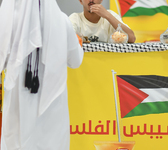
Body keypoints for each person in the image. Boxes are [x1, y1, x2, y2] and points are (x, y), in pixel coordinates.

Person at [0, 0, 83, 150]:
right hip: (52, 110)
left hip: (17, 108)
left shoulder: (10, 23)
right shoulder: (62, 21)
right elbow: (75, 61)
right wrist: (78, 45)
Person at [69, 0, 136, 43]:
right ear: (80, 1)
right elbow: (66, 38)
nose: (91, 0)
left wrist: (107, 15)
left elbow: (132, 38)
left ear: (101, 0)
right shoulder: (75, 18)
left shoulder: (110, 15)